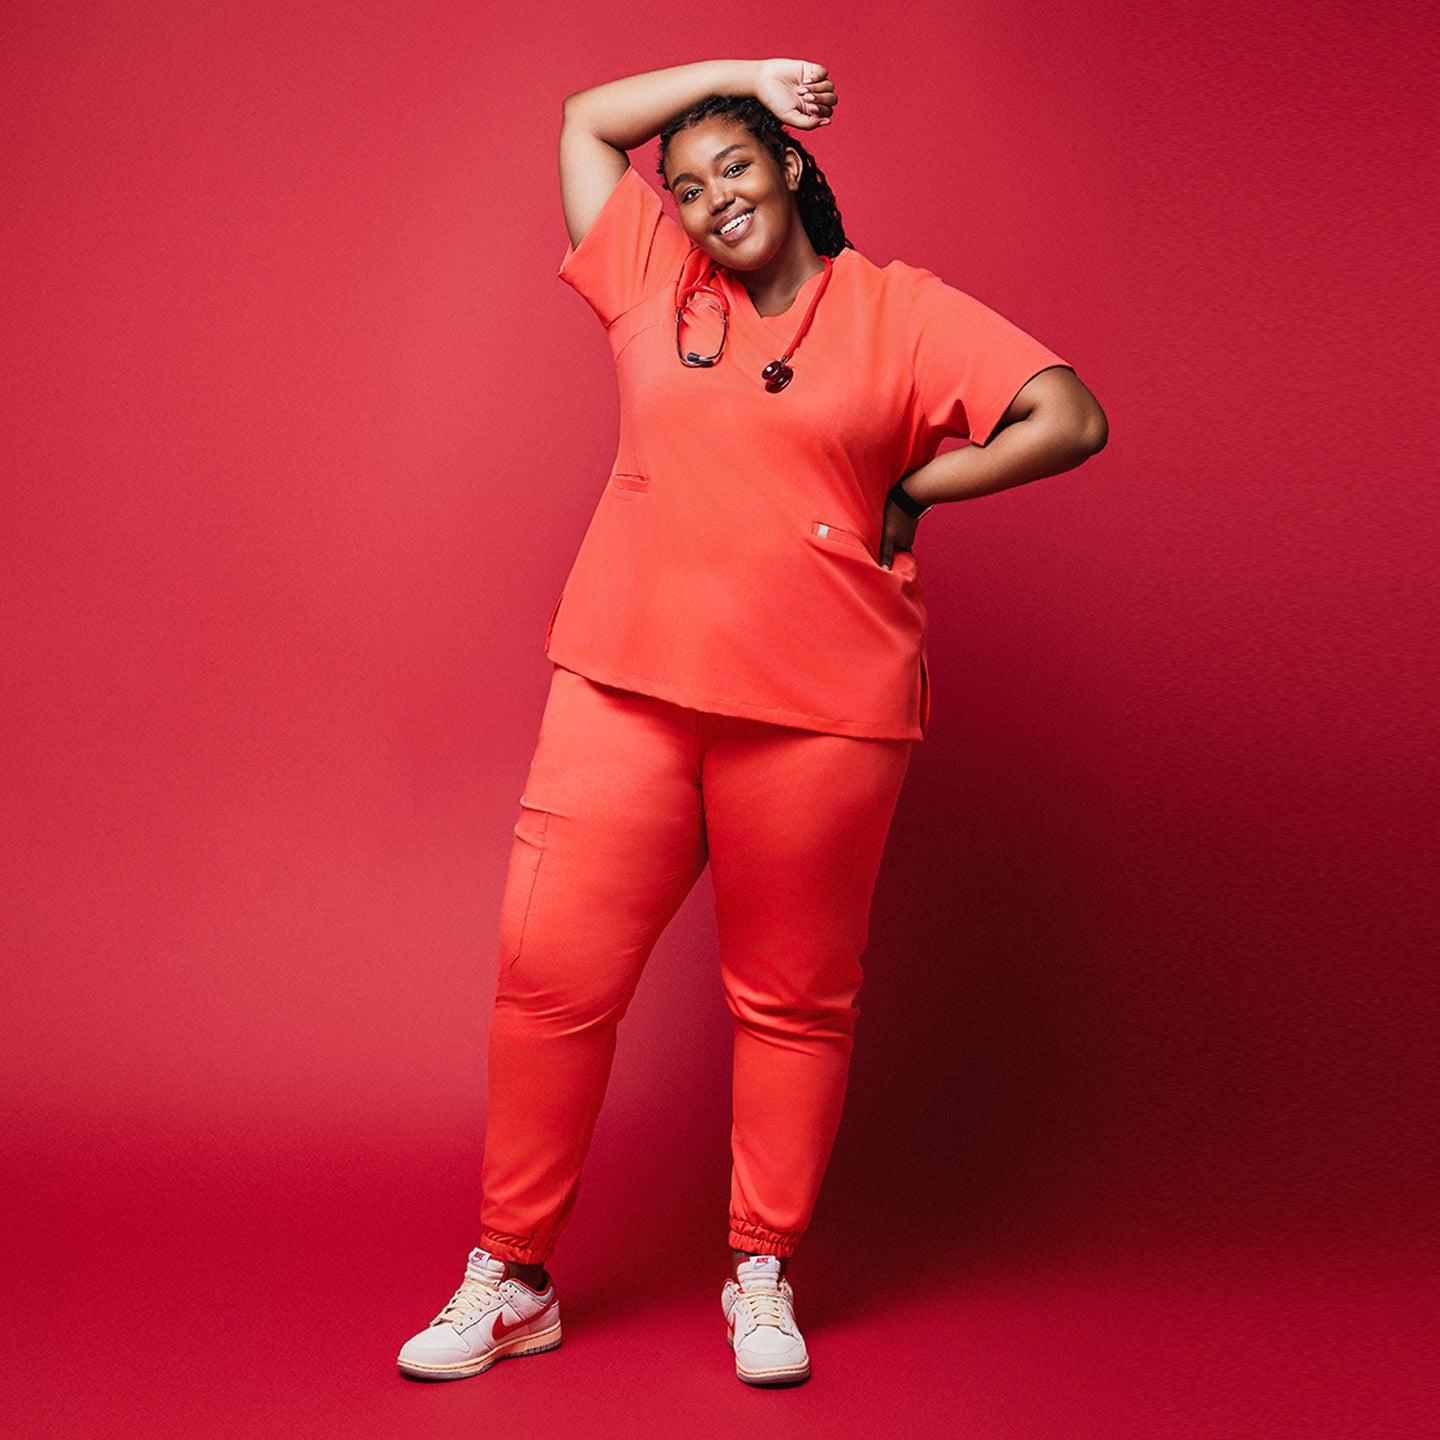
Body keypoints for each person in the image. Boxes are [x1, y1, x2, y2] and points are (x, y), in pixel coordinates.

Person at [397, 57, 1107, 1388]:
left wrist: (926, 484)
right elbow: (582, 120)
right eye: (693, 180)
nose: (715, 195)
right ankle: (513, 1278)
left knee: (791, 1005)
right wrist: (736, 75)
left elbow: (1070, 415)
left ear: (791, 169)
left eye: (740, 162)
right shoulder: (653, 287)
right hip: (625, 687)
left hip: (826, 709)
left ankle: (762, 1271)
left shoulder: (900, 313)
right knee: (549, 987)